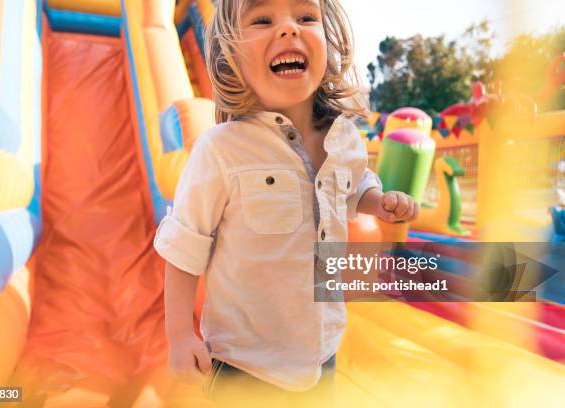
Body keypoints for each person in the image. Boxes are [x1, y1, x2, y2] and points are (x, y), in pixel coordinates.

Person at [154, 0, 418, 405]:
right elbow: (185, 246)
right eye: (262, 20)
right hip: (245, 365)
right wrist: (178, 335)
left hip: (322, 351)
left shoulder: (343, 136)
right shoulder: (222, 149)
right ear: (231, 57)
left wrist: (377, 201)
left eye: (306, 17)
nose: (288, 29)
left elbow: (354, 185)